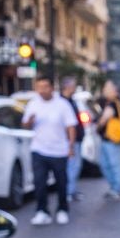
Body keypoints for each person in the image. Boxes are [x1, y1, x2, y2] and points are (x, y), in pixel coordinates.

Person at [21, 76, 78, 224]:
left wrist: (71, 146)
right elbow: (25, 125)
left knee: (61, 183)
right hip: (39, 149)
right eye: (39, 87)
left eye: (45, 87)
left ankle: (62, 209)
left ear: (52, 88)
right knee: (39, 183)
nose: (42, 90)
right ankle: (42, 211)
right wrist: (29, 122)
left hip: (59, 150)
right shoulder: (33, 104)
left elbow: (71, 126)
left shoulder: (62, 104)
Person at [94, 81, 120, 200]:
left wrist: (97, 127)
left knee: (114, 165)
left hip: (111, 139)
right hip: (108, 139)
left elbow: (104, 119)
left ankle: (117, 189)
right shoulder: (113, 103)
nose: (104, 91)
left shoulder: (113, 104)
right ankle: (115, 187)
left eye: (106, 88)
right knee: (107, 164)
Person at [59, 78, 87, 201]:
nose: (74, 88)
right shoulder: (62, 102)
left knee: (75, 166)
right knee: (72, 166)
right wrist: (70, 142)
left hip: (76, 138)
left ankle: (72, 190)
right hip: (70, 140)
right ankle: (68, 192)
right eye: (73, 86)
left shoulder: (71, 100)